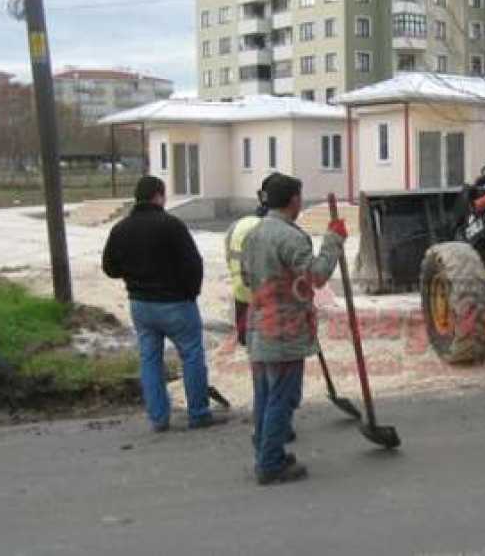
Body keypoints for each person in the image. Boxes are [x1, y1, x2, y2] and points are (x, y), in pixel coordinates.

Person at [242, 173, 347, 485]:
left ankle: (266, 451)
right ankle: (270, 463)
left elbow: (247, 278)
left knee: (265, 395)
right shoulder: (289, 237)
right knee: (282, 397)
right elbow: (317, 275)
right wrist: (333, 241)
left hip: (259, 325)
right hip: (283, 330)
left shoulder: (254, 234)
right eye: (300, 197)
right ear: (293, 200)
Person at [102, 176, 222, 432]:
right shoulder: (171, 226)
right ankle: (198, 414)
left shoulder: (120, 229)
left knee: (150, 359)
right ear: (158, 195)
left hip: (140, 304)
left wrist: (133, 276)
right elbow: (193, 263)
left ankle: (158, 418)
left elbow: (110, 268)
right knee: (191, 355)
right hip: (176, 303)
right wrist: (191, 292)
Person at [224, 180, 271, 346]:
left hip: (241, 293)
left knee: (246, 342)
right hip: (266, 299)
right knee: (265, 346)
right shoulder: (270, 229)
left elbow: (228, 257)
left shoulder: (237, 224)